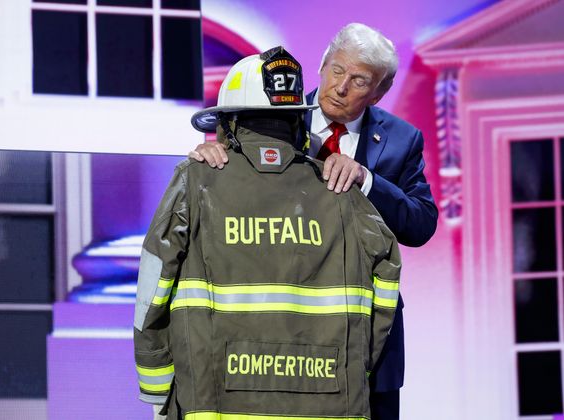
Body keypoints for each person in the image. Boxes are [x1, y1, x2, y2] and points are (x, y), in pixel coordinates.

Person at [134, 46, 401, 420]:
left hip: (212, 404)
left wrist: (159, 389)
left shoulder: (195, 182)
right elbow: (387, 286)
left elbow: (152, 291)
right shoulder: (342, 192)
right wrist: (356, 370)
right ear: (298, 124)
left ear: (228, 123)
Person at [189, 23, 438, 419]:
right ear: (322, 66)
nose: (340, 87)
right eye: (337, 70)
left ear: (379, 91)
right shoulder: (267, 116)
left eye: (359, 80)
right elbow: (229, 185)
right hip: (281, 329)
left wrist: (366, 179)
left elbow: (421, 223)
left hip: (368, 335)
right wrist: (209, 159)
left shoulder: (401, 140)